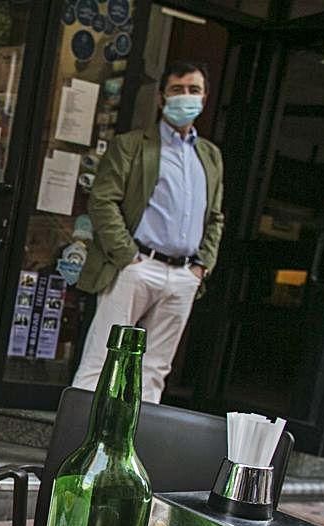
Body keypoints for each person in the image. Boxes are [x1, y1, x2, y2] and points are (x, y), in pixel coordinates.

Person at [71, 60, 224, 402]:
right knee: (102, 358)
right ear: (161, 98)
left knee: (155, 370)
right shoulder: (133, 145)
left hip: (184, 274)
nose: (185, 98)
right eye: (177, 90)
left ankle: (134, 448)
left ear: (205, 98)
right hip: (137, 266)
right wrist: (128, 257)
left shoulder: (210, 155)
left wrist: (202, 267)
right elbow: (102, 201)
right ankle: (75, 443)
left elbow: (215, 217)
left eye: (193, 91)